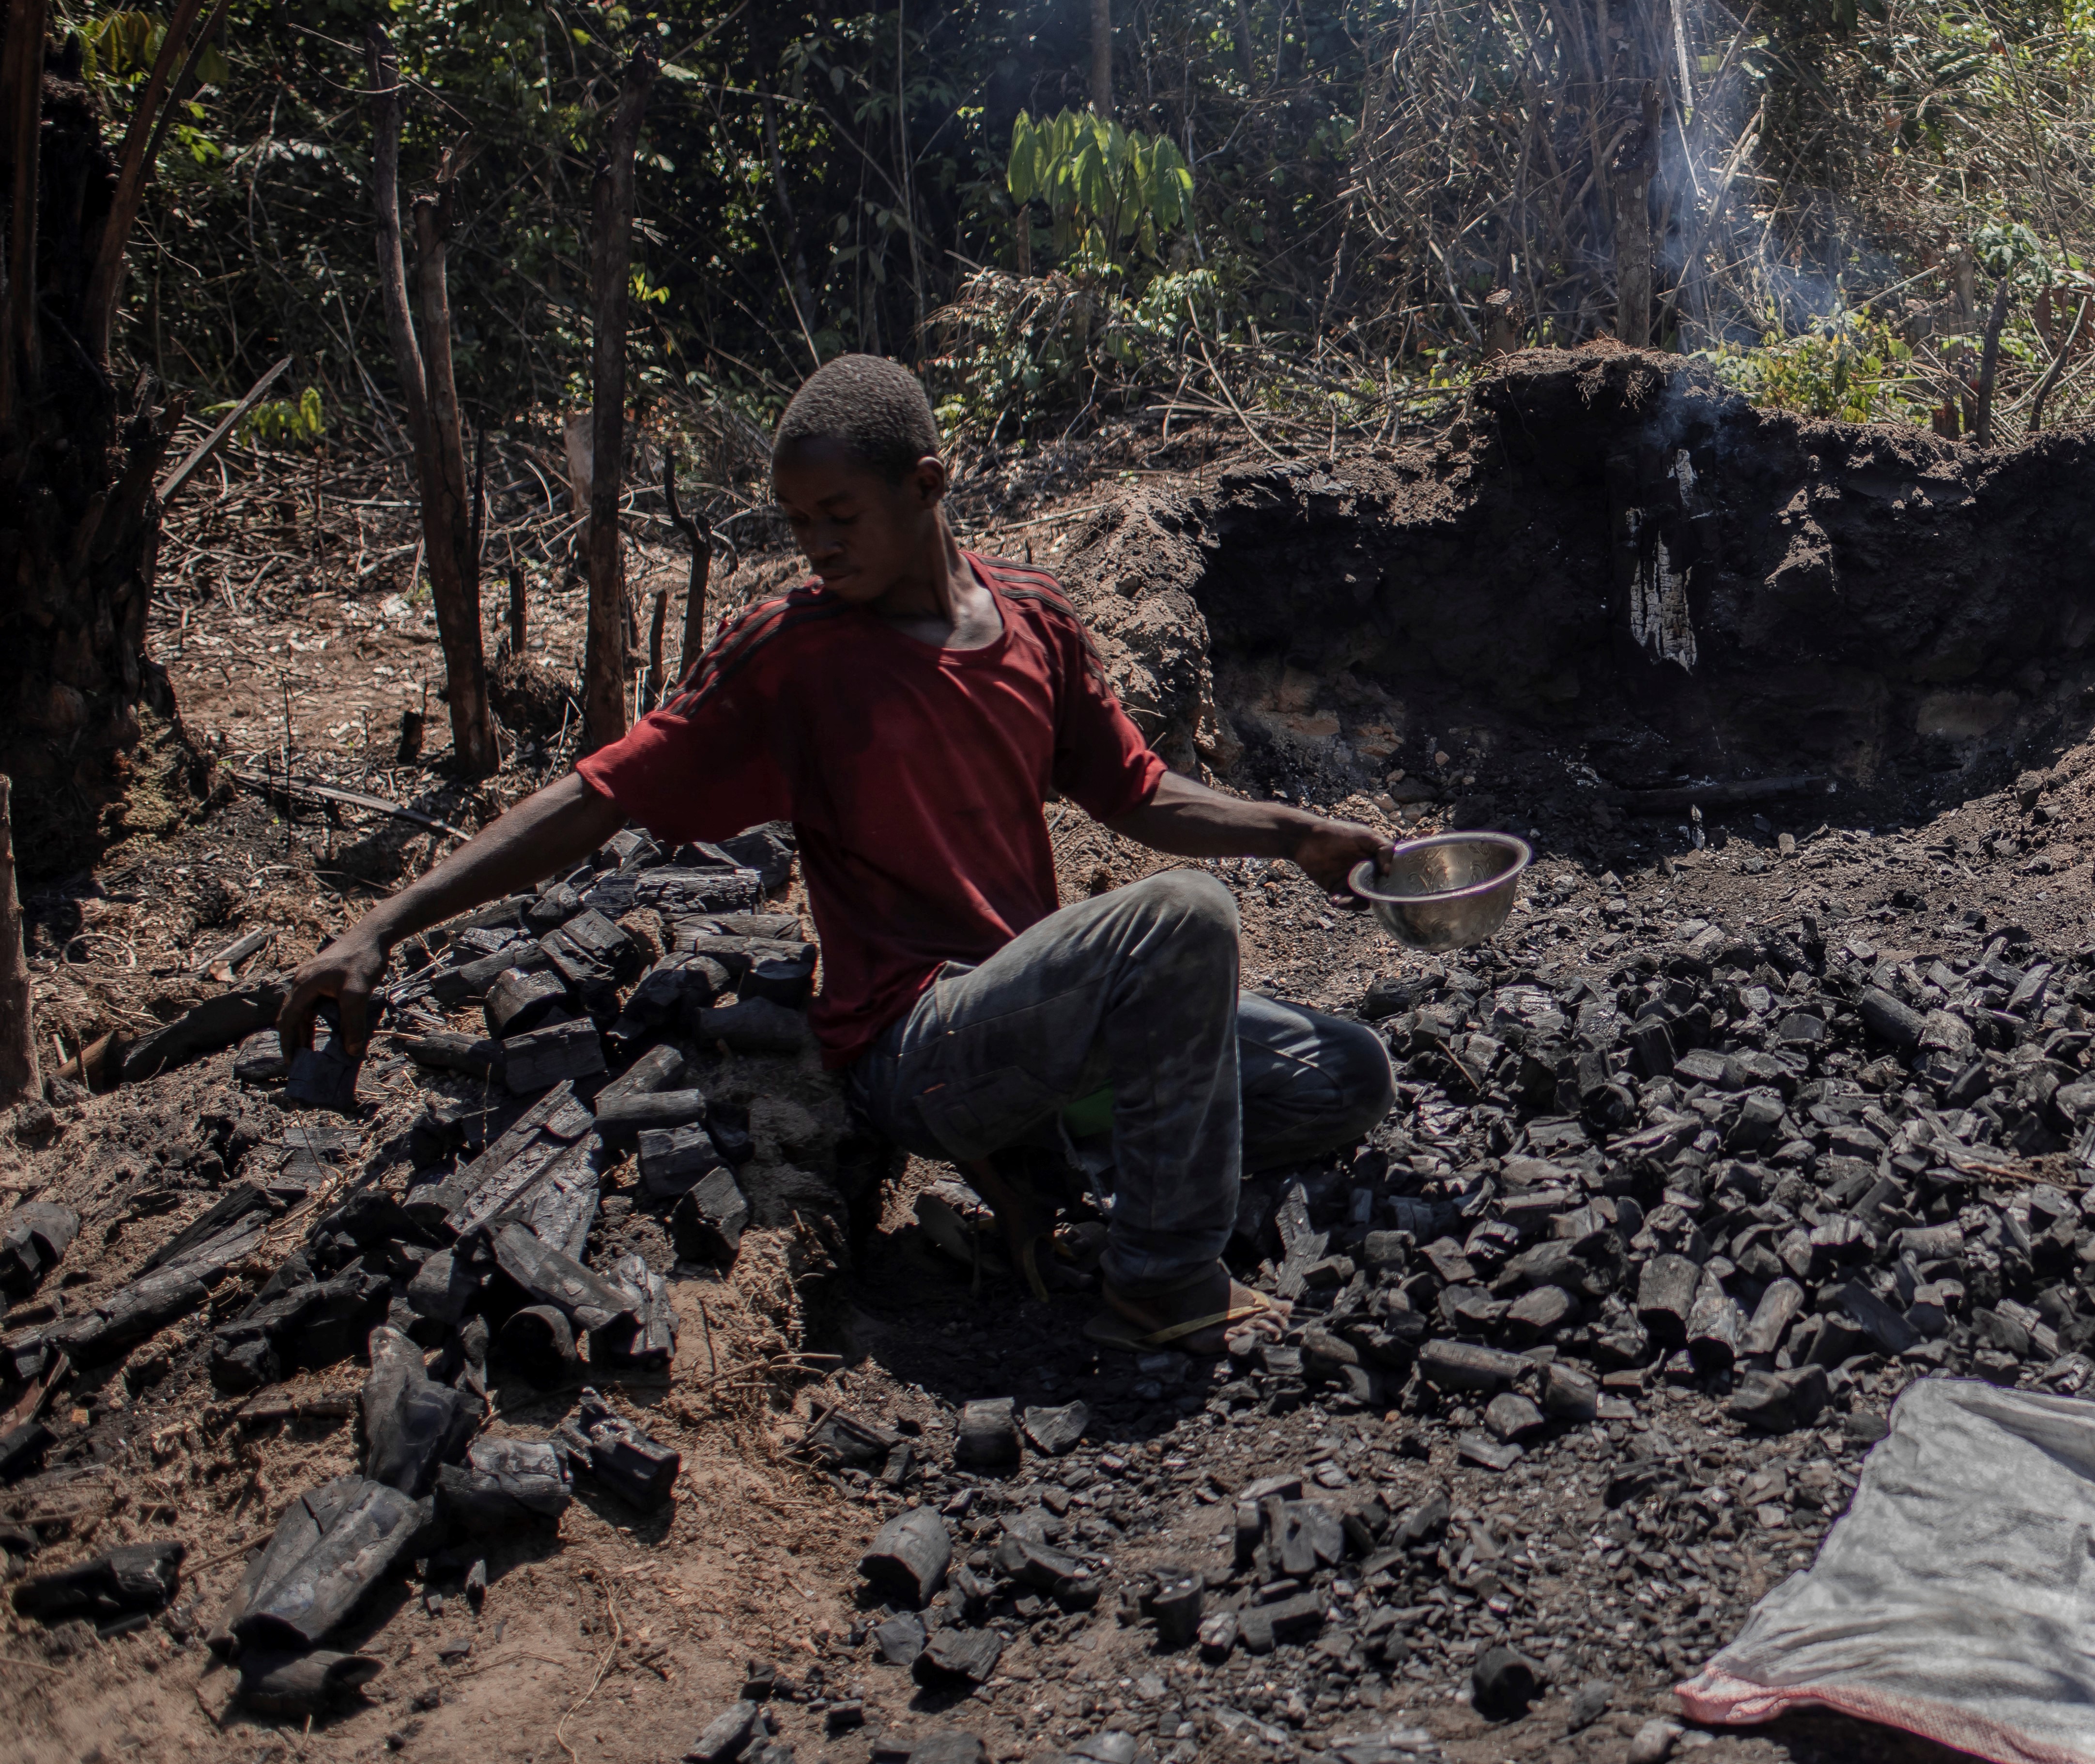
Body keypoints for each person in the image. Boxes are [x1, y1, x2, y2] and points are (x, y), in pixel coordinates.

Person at [281, 353, 1400, 1358]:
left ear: (926, 484)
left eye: (838, 514)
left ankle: (1060, 1155)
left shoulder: (1035, 617)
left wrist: (1297, 834)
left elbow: (1138, 792)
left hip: (1039, 1025)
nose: (815, 544)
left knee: (1348, 1074)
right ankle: (1159, 1277)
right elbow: (598, 794)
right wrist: (381, 923)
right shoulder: (795, 650)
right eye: (797, 521)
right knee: (1184, 917)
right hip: (918, 1045)